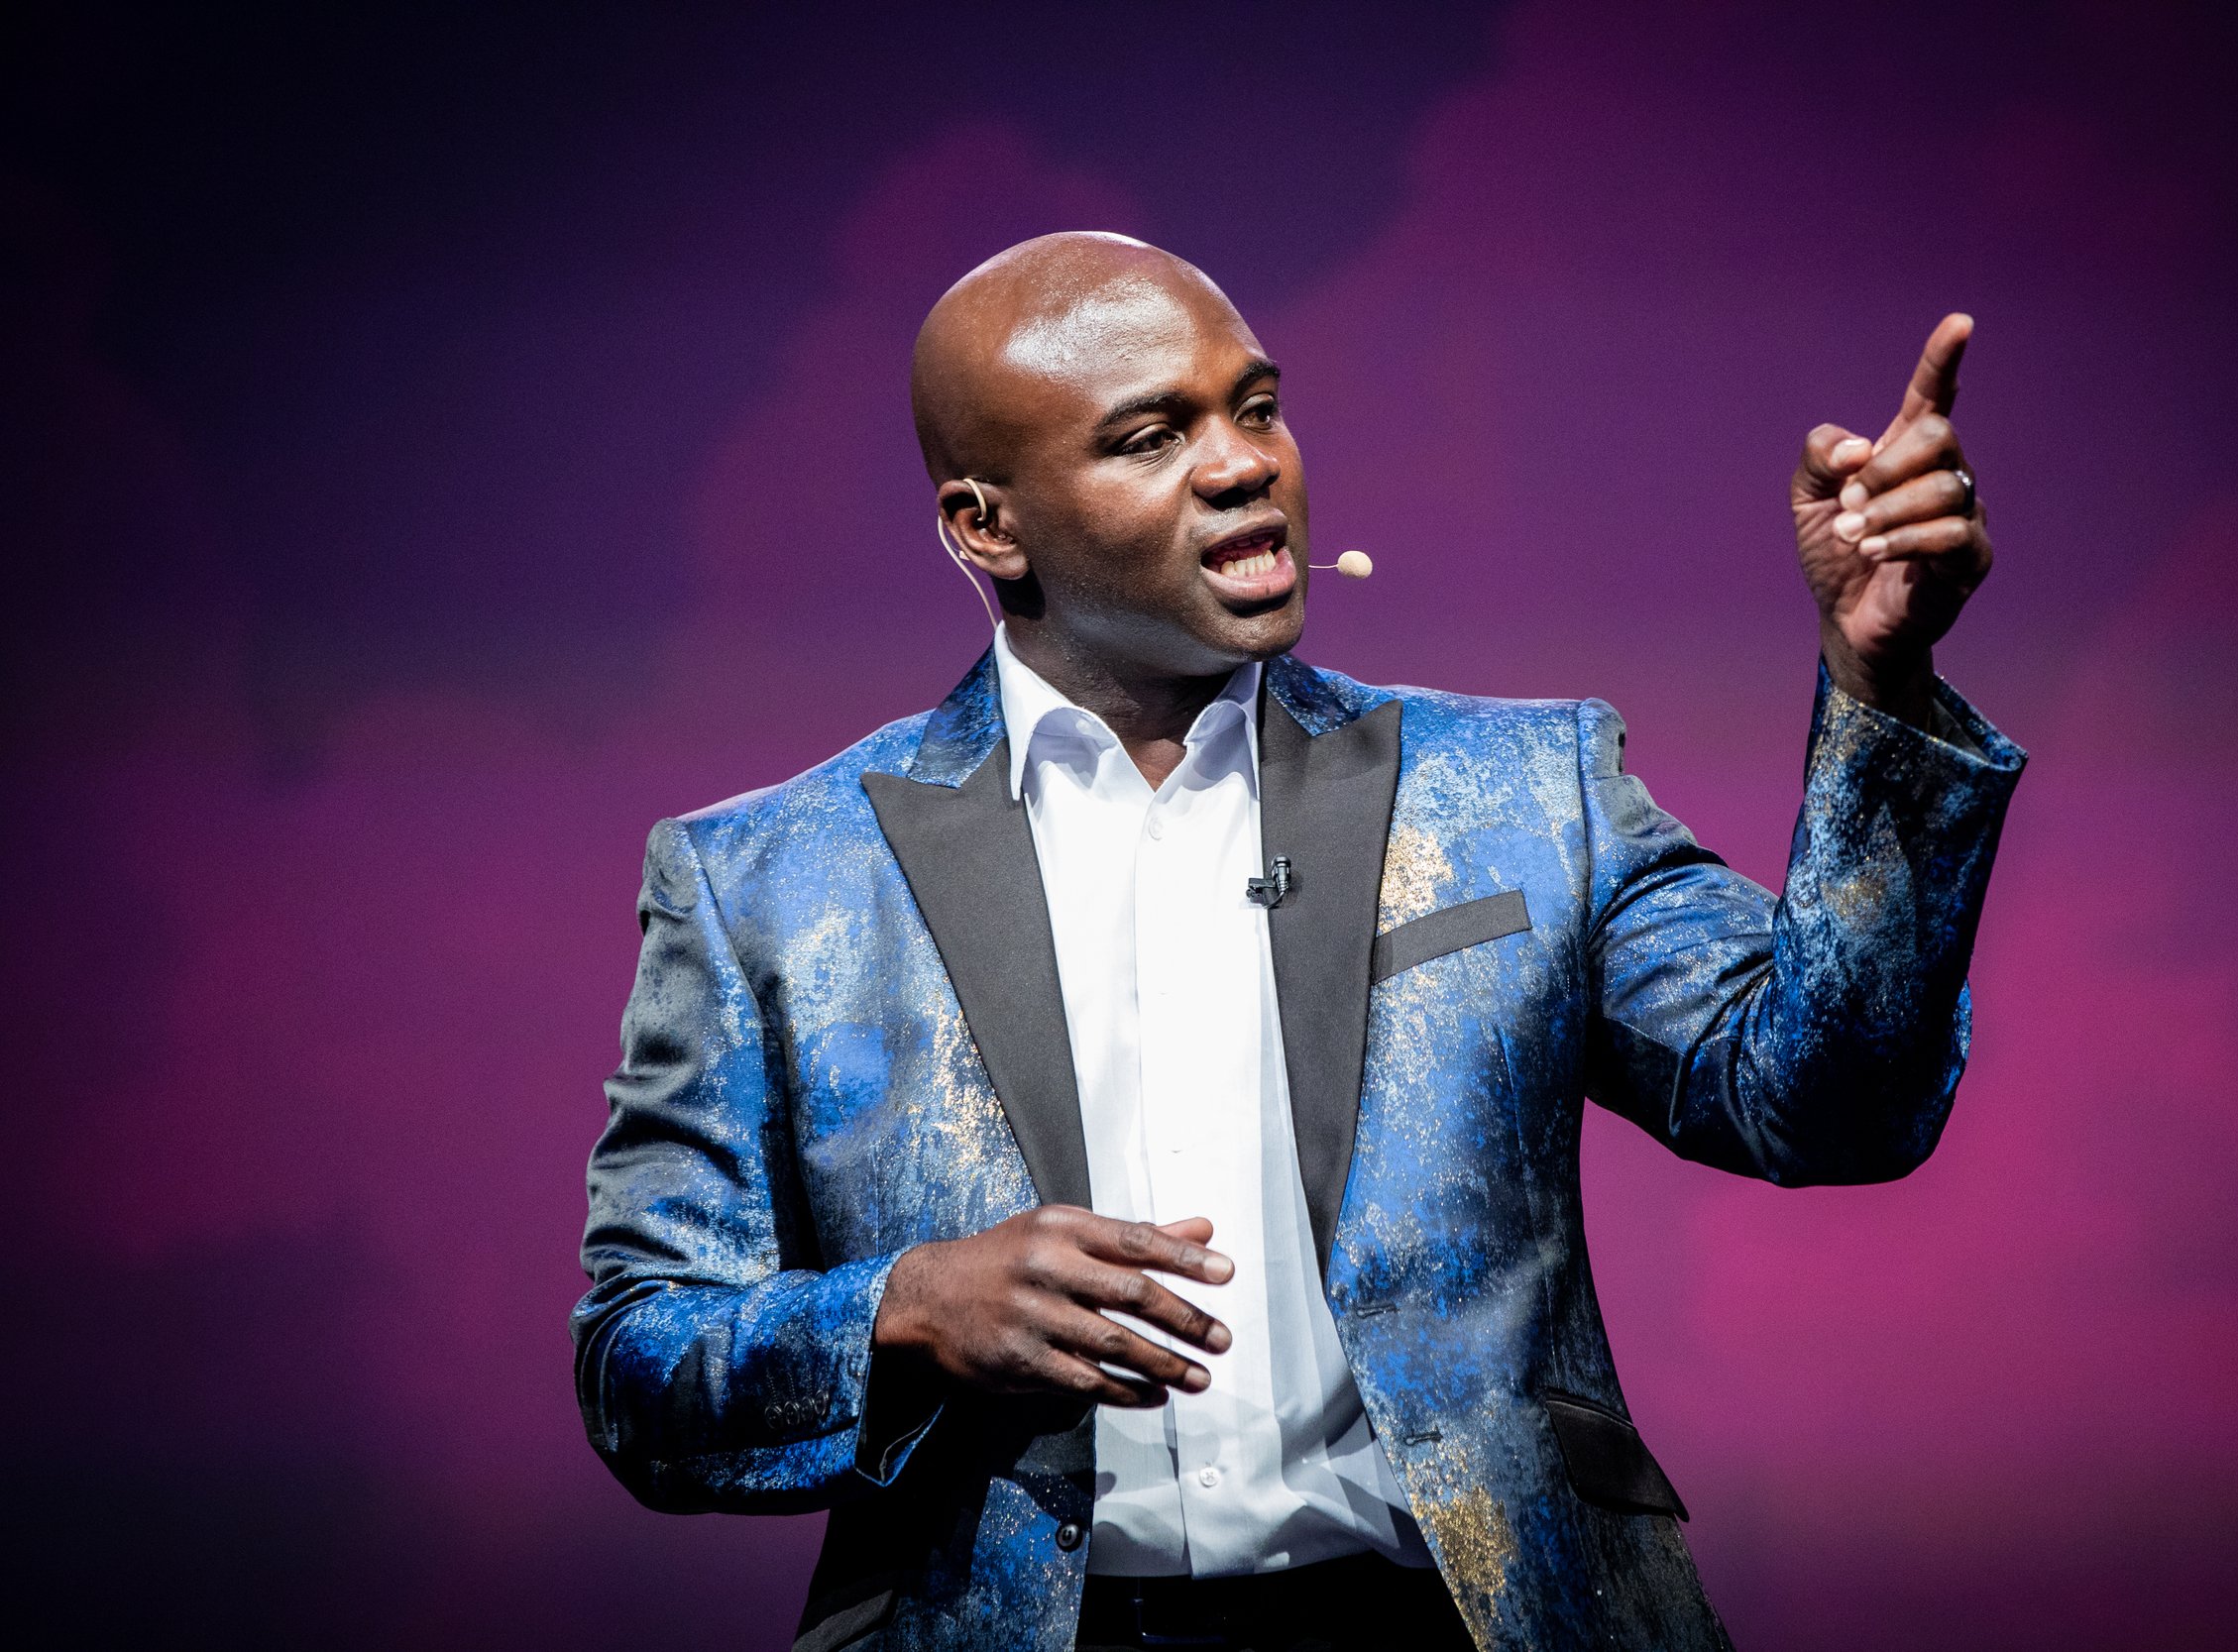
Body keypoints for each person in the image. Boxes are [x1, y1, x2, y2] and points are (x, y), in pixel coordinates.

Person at [573, 232, 2023, 1652]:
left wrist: (1879, 683)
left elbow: (1833, 1102)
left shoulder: (1521, 793)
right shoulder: (768, 881)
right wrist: (906, 1310)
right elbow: (639, 1366)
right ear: (986, 527)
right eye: (1152, 437)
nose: (1242, 463)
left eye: (1255, 407)